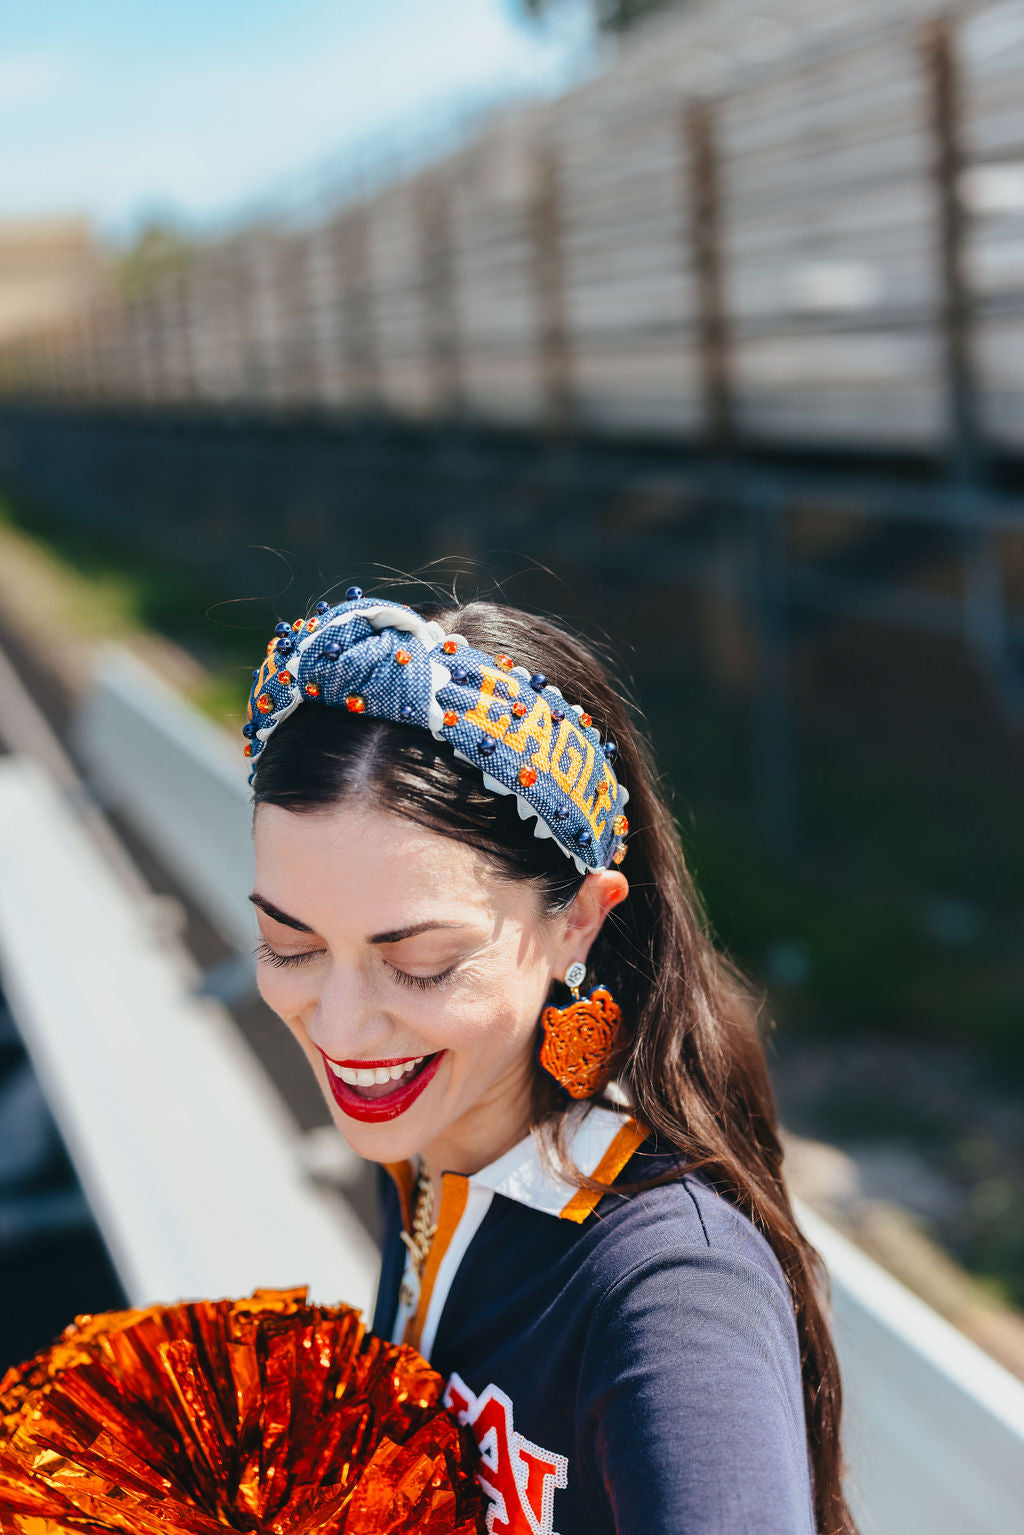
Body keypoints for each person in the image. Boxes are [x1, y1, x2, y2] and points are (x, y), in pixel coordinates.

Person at [243, 587, 858, 1535]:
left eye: (421, 962)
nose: (343, 1029)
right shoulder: (428, 1140)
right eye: (290, 944)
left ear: (579, 919)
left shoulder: (671, 1289)